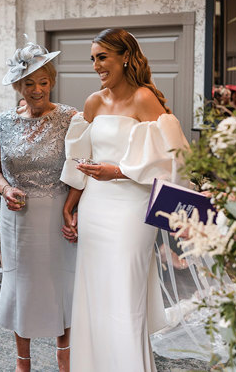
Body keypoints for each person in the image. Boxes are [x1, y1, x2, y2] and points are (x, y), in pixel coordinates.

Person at [60, 28, 190, 371]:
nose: (96, 66)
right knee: (94, 295)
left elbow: (173, 159)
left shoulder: (146, 99)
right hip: (95, 208)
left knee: (124, 294)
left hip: (132, 209)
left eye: (102, 57)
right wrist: (70, 203)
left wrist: (118, 171)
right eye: (93, 59)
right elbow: (79, 158)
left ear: (125, 57)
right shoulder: (93, 101)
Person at [0, 42, 77, 371]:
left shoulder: (70, 117)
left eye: (43, 82)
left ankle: (64, 359)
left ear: (51, 81)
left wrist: (73, 209)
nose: (37, 89)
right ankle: (22, 363)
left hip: (57, 215)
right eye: (29, 83)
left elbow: (80, 169)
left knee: (61, 285)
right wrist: (5, 188)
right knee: (20, 288)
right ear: (18, 86)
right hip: (17, 219)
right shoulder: (2, 122)